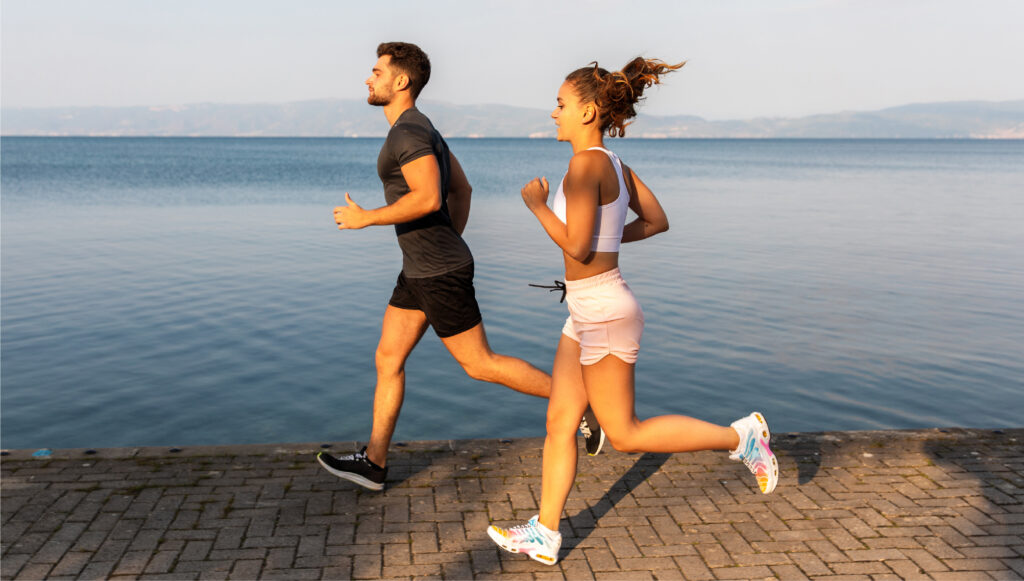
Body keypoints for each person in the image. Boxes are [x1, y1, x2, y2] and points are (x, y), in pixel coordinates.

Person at [486, 58, 779, 565]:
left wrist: (535, 205)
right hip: (589, 307)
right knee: (560, 419)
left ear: (589, 110)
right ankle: (546, 532)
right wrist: (602, 241)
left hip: (601, 308)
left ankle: (741, 436)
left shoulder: (583, 165)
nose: (553, 112)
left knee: (623, 433)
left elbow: (577, 250)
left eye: (561, 104)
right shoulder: (615, 165)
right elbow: (656, 221)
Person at [317, 42, 603, 492]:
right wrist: (450, 242)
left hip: (435, 270)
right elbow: (463, 191)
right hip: (422, 268)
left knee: (480, 364)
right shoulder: (421, 128)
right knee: (388, 357)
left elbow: (431, 197)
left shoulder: (407, 134)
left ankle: (585, 406)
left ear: (400, 81)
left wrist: (367, 217)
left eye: (376, 71)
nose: (368, 79)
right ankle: (374, 462)